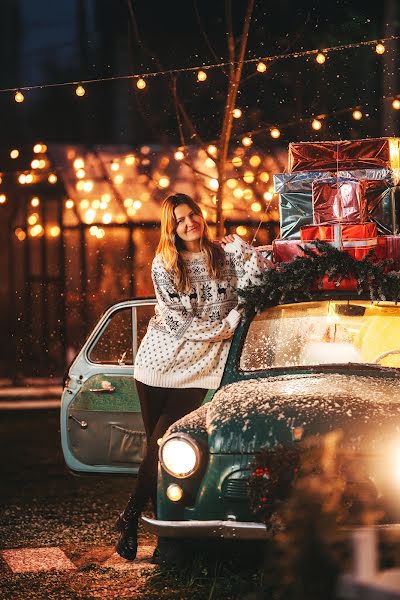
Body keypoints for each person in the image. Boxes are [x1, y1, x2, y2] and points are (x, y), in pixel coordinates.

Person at [116, 193, 271, 561]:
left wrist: (245, 250)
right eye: (181, 220)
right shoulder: (164, 263)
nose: (190, 223)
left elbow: (262, 278)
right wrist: (227, 325)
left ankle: (130, 519)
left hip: (201, 367)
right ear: (172, 228)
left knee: (163, 446)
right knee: (156, 452)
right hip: (158, 363)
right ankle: (160, 537)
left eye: (193, 215)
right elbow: (177, 321)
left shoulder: (224, 252)